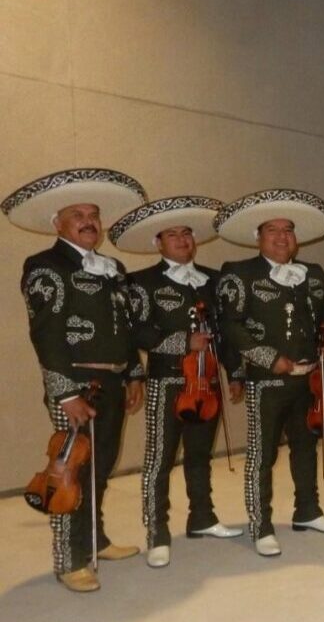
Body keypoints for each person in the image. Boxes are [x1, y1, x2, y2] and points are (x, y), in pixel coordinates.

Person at [3, 168, 148, 592]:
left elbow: (125, 325)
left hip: (114, 383)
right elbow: (44, 334)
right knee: (70, 474)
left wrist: (134, 371)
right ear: (58, 223)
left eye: (94, 214)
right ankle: (68, 559)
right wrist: (63, 393)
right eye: (77, 214)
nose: (89, 221)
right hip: (75, 384)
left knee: (100, 469)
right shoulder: (45, 266)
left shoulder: (113, 267)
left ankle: (95, 539)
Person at [110, 196, 244, 569]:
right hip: (166, 382)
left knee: (200, 456)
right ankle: (157, 532)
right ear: (158, 242)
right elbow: (135, 332)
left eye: (187, 234)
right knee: (159, 460)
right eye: (173, 235)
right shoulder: (141, 282)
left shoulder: (213, 281)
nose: (183, 240)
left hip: (207, 382)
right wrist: (183, 342)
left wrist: (234, 372)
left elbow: (225, 332)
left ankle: (202, 518)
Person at [215, 189, 324, 557]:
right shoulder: (238, 274)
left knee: (305, 446)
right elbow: (231, 327)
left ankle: (308, 511)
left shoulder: (314, 274)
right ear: (258, 237)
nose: (282, 236)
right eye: (272, 230)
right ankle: (261, 525)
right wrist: (269, 358)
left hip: (309, 379)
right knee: (262, 454)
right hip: (266, 380)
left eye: (288, 230)